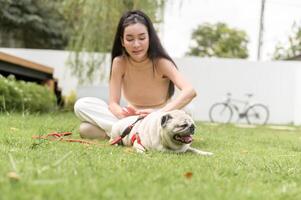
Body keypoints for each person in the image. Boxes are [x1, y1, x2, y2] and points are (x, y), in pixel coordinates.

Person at [74, 10, 196, 140]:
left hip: (159, 118)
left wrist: (158, 113)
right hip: (130, 118)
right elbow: (113, 103)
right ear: (122, 41)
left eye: (142, 38)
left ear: (150, 38)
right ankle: (138, 134)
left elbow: (190, 91)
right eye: (130, 39)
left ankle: (124, 134)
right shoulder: (119, 63)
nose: (136, 44)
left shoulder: (161, 63)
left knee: (188, 109)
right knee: (82, 106)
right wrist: (122, 114)